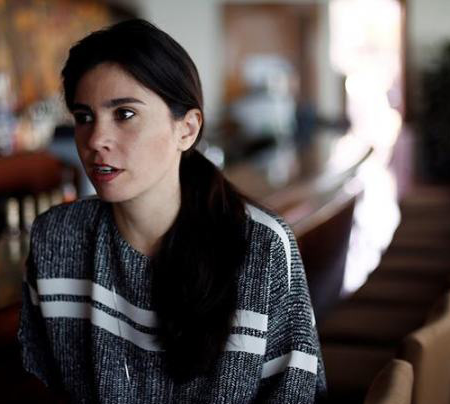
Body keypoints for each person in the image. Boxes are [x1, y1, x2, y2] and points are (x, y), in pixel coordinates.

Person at [18, 18, 327, 404]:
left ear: (187, 128)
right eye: (84, 117)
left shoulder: (260, 247)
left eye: (125, 114)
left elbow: (296, 395)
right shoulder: (55, 240)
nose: (96, 140)